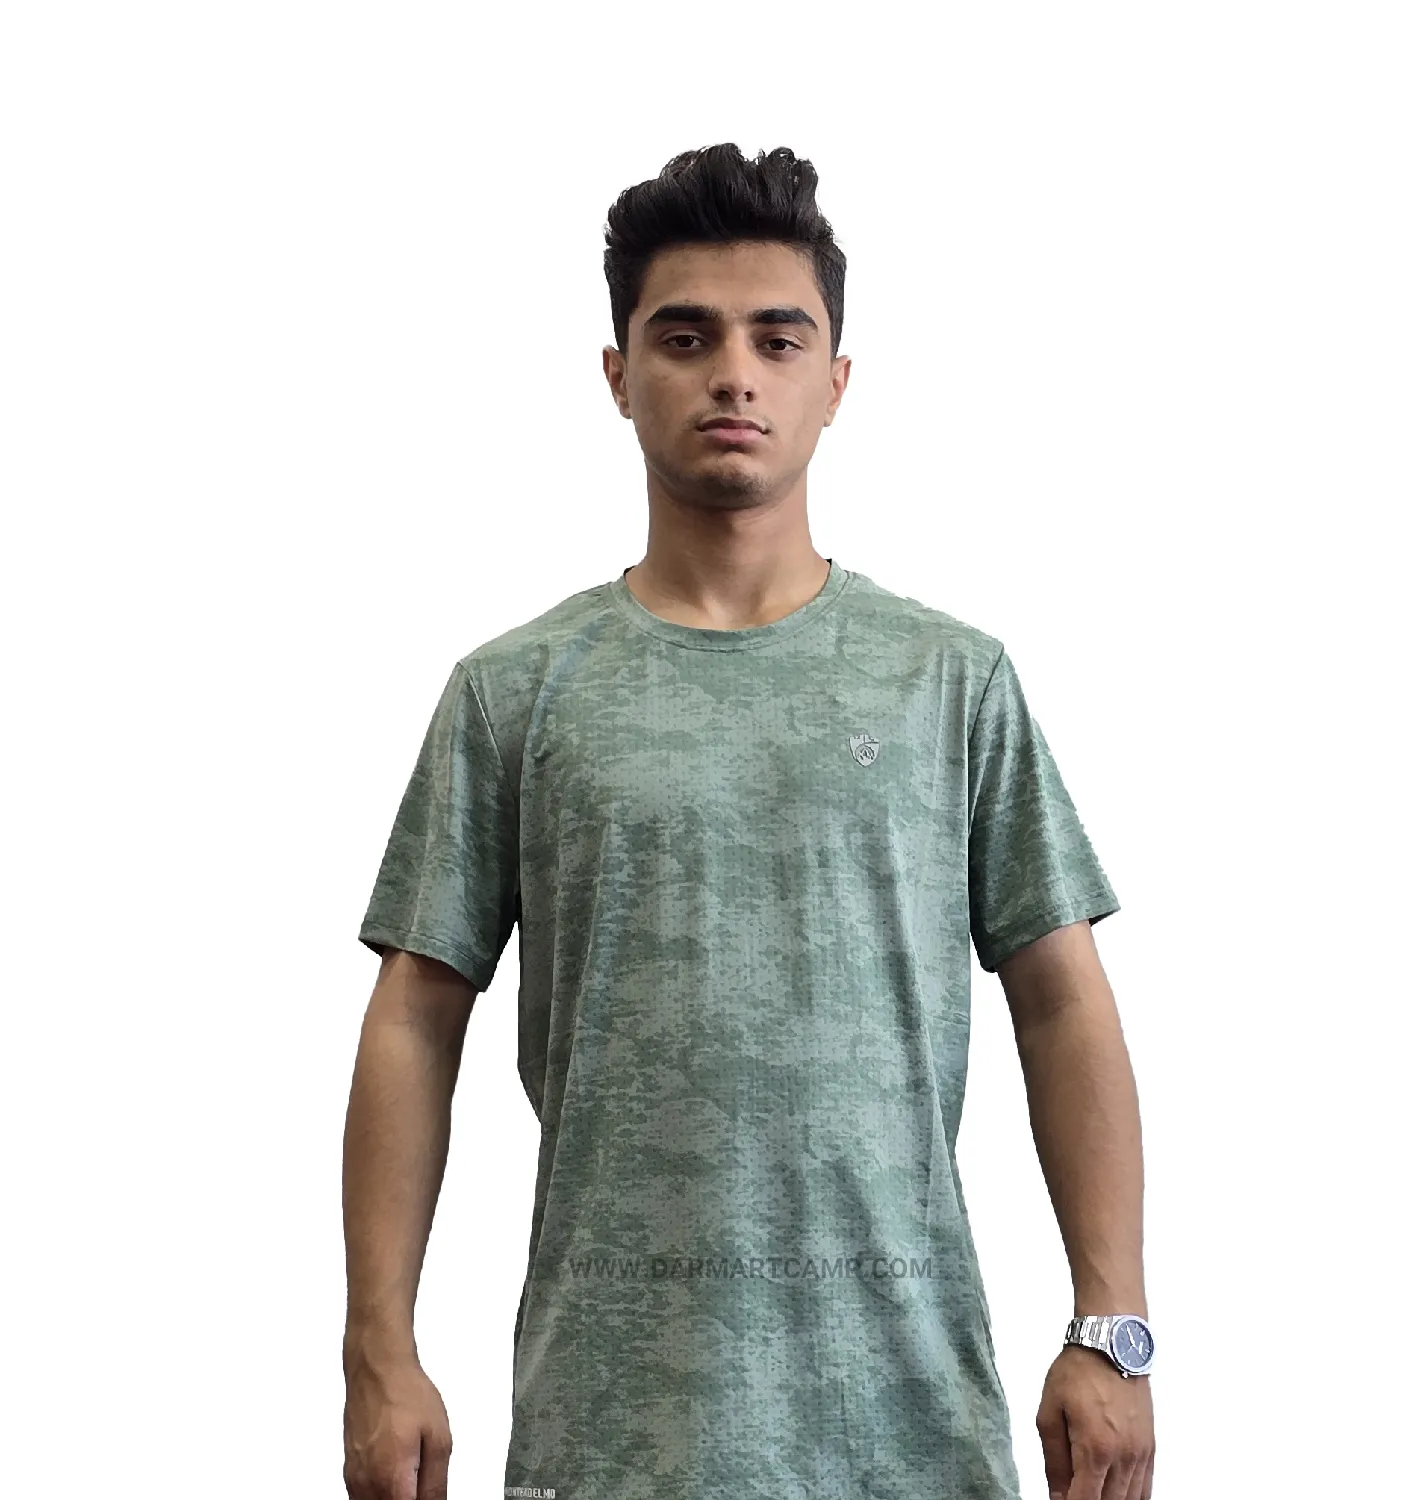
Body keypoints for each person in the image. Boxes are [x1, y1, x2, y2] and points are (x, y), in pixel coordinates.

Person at [342, 143, 1154, 1500]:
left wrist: (1111, 1328)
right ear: (618, 375)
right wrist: (379, 1349)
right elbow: (416, 1018)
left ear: (836, 382)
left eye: (779, 340)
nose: (735, 374)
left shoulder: (949, 681)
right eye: (687, 337)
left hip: (910, 1436)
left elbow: (1062, 999)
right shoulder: (515, 693)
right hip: (613, 1434)